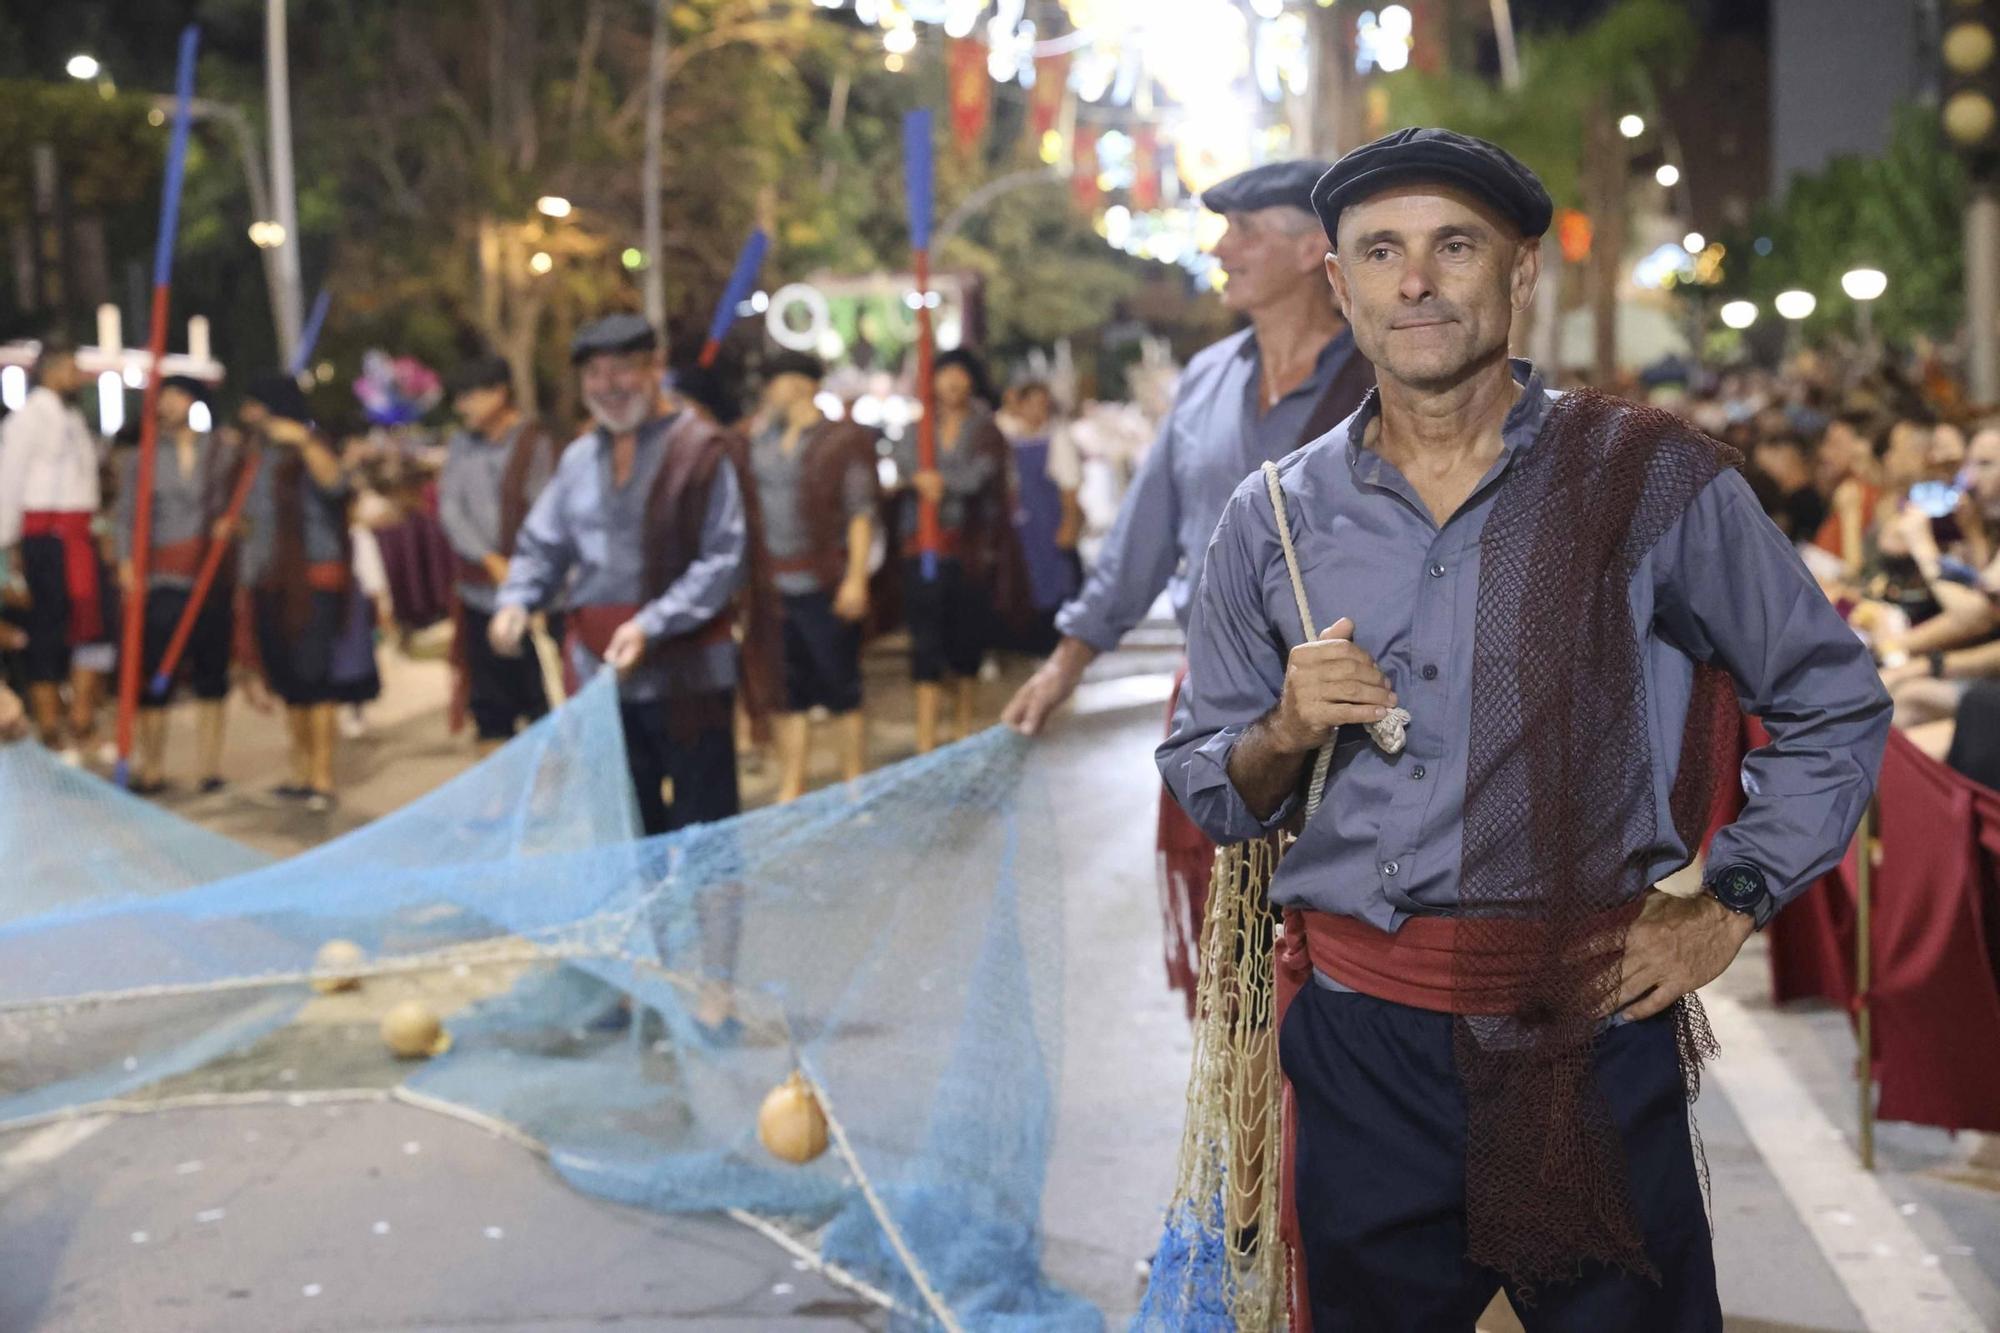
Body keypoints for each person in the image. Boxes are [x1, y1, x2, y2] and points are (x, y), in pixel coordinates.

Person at [1158, 128, 1890, 1329]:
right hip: (1362, 1048)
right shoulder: (1272, 519)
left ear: (1518, 274)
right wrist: (1284, 726)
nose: (1415, 281)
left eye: (1453, 245)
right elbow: (1209, 782)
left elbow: (1830, 697)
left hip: (1586, 1035)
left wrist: (1729, 904)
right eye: (1379, 252)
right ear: (1337, 284)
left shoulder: (1649, 480)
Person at [1002, 158, 1375, 1017]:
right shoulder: (1207, 377)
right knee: (1238, 991)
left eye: (1247, 229)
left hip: (1351, 732)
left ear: (1313, 245)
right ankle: (1246, 1156)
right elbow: (1141, 534)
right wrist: (1065, 665)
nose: (1224, 247)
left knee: (1341, 992)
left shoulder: (1375, 371)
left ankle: (1317, 1148)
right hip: (1223, 724)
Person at [490, 313, 779, 838]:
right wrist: (516, 600)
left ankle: (708, 926)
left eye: (622, 369)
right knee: (624, 833)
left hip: (689, 673)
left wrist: (651, 625)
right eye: (595, 375)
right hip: (603, 685)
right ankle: (644, 925)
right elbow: (543, 543)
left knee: (703, 839)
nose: (609, 386)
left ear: (656, 367)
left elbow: (724, 558)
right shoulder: (579, 457)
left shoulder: (703, 449)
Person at [749, 350, 878, 800]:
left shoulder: (842, 440)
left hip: (826, 580)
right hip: (774, 585)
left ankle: (854, 782)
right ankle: (792, 785)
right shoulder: (760, 441)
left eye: (775, 379)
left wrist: (856, 577)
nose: (768, 389)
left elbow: (861, 512)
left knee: (842, 685)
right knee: (787, 690)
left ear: (802, 384)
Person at [113, 375, 242, 793]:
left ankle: (209, 766)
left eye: (177, 396)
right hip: (163, 576)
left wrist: (235, 526)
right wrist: (127, 564)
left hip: (210, 574)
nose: (168, 404)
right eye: (163, 397)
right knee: (154, 670)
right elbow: (127, 514)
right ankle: (151, 765)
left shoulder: (221, 451)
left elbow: (244, 499)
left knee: (212, 671)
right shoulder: (143, 457)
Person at [238, 376, 353, 815]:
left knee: (314, 676)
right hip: (270, 580)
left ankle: (322, 775)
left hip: (313, 578)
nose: (248, 415)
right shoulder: (257, 458)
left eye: (255, 406)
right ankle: (301, 770)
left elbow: (336, 485)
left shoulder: (312, 447)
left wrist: (304, 440)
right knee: (288, 679)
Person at [894, 347, 1016, 753]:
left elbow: (981, 476)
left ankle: (963, 725)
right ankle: (926, 736)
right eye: (945, 374)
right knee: (924, 638)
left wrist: (938, 481)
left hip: (969, 548)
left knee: (966, 637)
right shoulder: (916, 429)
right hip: (922, 547)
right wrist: (920, 479)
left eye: (960, 375)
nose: (952, 383)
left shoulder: (986, 430)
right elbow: (906, 463)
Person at [439, 354, 559, 753]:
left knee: (548, 707)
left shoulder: (538, 443)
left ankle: (553, 802)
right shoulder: (460, 446)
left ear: (499, 393)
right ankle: (506, 808)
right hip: (480, 595)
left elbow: (549, 513)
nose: (462, 407)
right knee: (490, 711)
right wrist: (487, 558)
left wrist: (522, 569)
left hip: (537, 600)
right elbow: (451, 509)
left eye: (470, 396)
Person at [0, 339, 109, 756]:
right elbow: (10, 482)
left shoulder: (74, 419)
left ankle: (80, 717)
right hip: (44, 538)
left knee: (90, 627)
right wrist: (10, 548)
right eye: (68, 370)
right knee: (46, 628)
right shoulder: (26, 419)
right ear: (47, 372)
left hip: (78, 536)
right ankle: (48, 727)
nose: (76, 378)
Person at [997, 380, 1083, 654]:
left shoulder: (1057, 437)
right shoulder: (1006, 435)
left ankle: (1049, 644)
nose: (1037, 412)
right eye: (1030, 404)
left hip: (1047, 523)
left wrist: (1069, 524)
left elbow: (1069, 487)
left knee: (1051, 584)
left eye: (1042, 405)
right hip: (1016, 526)